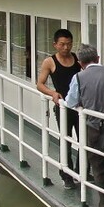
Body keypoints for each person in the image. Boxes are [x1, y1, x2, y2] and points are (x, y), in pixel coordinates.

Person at [63, 44, 104, 207]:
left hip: (93, 127)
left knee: (98, 166)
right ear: (98, 58)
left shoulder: (79, 77)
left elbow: (71, 102)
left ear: (80, 62)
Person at [36, 29, 81, 189]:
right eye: (62, 44)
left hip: (78, 106)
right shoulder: (50, 62)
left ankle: (81, 171)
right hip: (62, 108)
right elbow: (40, 84)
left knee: (83, 140)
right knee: (66, 140)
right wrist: (52, 93)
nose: (66, 47)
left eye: (69, 44)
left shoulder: (76, 58)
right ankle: (66, 174)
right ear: (55, 45)